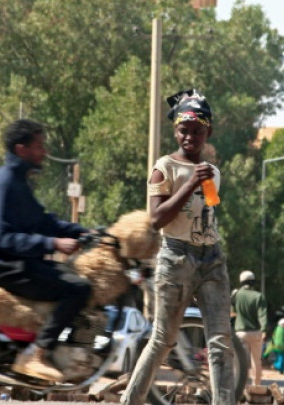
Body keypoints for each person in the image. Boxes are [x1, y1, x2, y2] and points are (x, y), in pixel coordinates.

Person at [122, 89, 235, 405]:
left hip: (211, 259)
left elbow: (207, 213)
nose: (190, 136)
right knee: (163, 339)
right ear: (176, 131)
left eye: (198, 131)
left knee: (221, 342)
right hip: (176, 258)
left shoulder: (213, 172)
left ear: (207, 132)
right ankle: (130, 401)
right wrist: (189, 184)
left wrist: (201, 183)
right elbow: (156, 219)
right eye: (184, 130)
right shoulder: (164, 168)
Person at [0, 119, 91, 382]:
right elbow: (5, 239)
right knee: (79, 288)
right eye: (39, 146)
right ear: (21, 149)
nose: (44, 151)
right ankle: (36, 354)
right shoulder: (5, 184)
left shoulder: (18, 181)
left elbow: (43, 222)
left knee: (75, 276)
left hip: (19, 262)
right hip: (5, 266)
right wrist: (53, 244)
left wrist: (83, 231)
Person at [232, 270, 268, 384]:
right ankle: (256, 385)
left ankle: (237, 385)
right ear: (253, 282)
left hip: (240, 333)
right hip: (256, 332)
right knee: (256, 361)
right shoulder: (259, 296)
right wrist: (264, 330)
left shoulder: (236, 295)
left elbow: (232, 313)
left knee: (238, 361)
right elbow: (262, 315)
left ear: (241, 281)